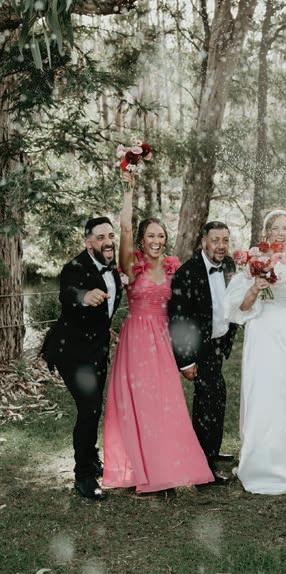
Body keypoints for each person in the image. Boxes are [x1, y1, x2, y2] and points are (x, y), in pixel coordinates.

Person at [102, 172, 213, 494]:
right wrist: (128, 191)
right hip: (136, 339)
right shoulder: (130, 264)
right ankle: (141, 470)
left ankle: (165, 468)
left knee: (166, 404)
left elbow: (185, 307)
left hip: (163, 340)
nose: (156, 240)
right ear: (140, 239)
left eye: (161, 236)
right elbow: (124, 229)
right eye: (151, 235)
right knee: (139, 403)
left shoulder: (173, 268)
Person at [224, 209, 286, 495]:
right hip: (263, 331)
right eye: (275, 228)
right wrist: (255, 287)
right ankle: (262, 462)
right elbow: (241, 307)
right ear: (266, 232)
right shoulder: (254, 260)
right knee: (265, 391)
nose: (280, 233)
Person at [40, 217, 123, 500]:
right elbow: (68, 293)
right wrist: (84, 296)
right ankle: (84, 476)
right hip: (71, 352)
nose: (108, 242)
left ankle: (91, 458)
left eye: (110, 235)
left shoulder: (111, 267)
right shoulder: (74, 267)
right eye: (100, 237)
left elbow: (106, 309)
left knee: (94, 408)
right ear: (88, 243)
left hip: (97, 350)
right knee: (89, 409)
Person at [167, 221, 237, 485]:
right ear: (203, 242)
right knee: (209, 401)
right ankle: (204, 466)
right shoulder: (187, 272)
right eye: (215, 240)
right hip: (200, 347)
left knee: (215, 398)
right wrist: (186, 360)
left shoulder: (229, 265)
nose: (221, 245)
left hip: (218, 344)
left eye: (225, 240)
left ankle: (210, 451)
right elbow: (178, 319)